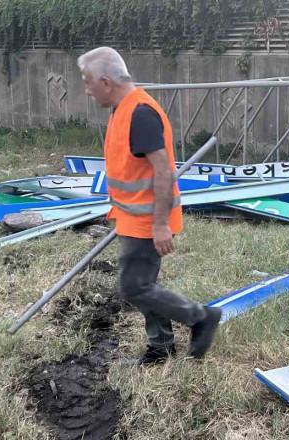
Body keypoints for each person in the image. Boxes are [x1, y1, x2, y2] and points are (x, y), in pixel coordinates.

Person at [78, 47, 221, 365]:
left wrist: (159, 224)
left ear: (105, 81)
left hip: (147, 221)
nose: (86, 90)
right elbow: (131, 169)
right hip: (131, 216)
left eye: (87, 82)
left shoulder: (140, 112)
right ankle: (160, 348)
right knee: (144, 285)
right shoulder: (122, 108)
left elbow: (164, 172)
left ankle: (200, 317)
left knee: (134, 286)